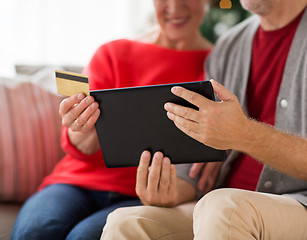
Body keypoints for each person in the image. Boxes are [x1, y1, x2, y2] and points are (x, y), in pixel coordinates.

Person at [100, 0, 307, 239]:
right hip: (223, 206)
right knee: (125, 222)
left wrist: (245, 134)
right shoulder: (229, 45)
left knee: (223, 208)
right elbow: (196, 164)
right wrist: (171, 192)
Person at [11, 0, 212, 239]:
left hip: (140, 195)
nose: (174, 7)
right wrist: (80, 125)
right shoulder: (113, 53)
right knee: (34, 233)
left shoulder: (218, 65)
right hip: (76, 183)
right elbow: (83, 146)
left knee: (83, 237)